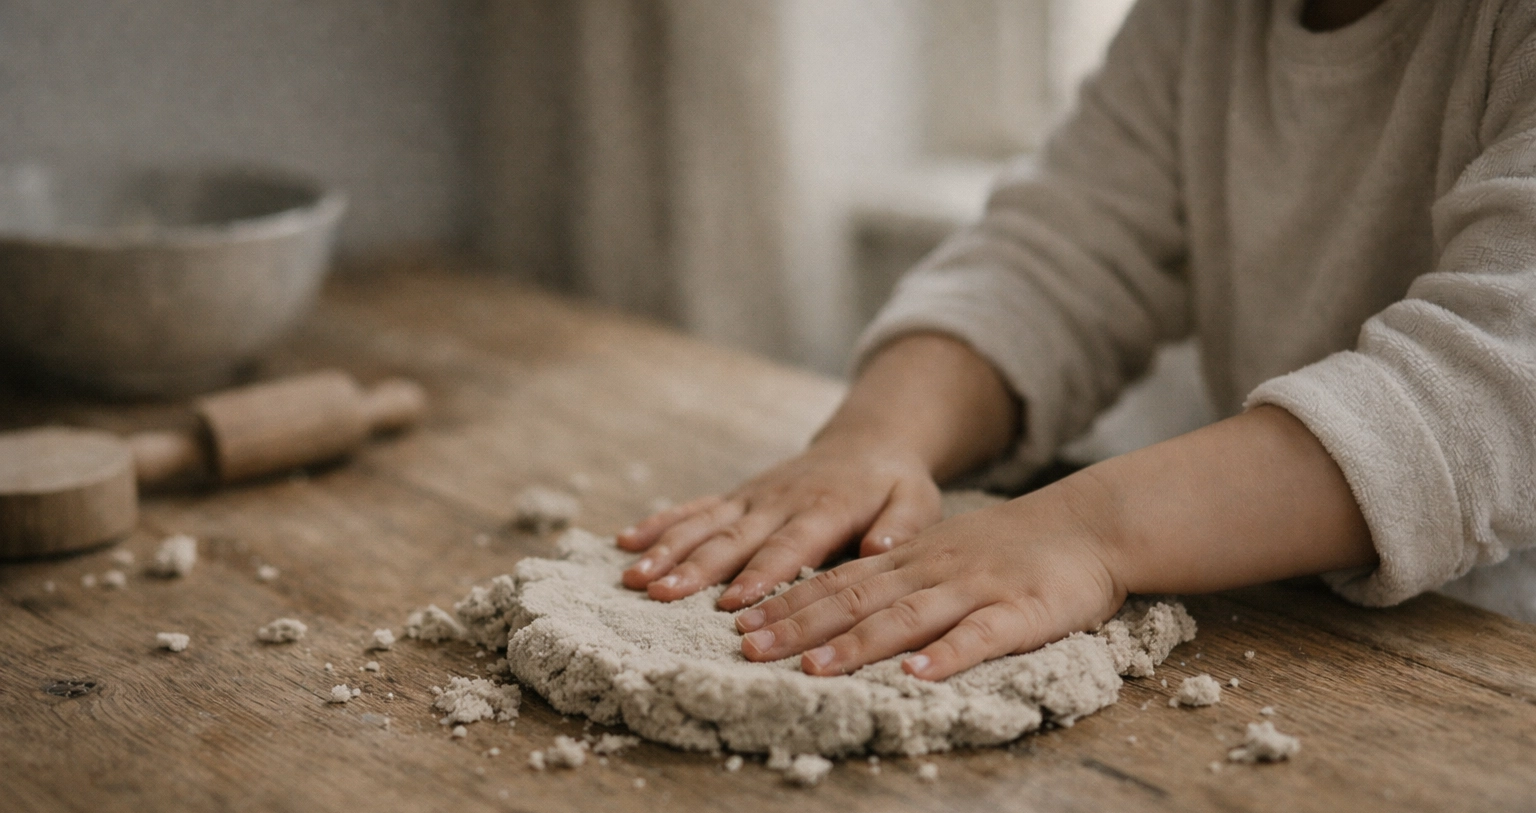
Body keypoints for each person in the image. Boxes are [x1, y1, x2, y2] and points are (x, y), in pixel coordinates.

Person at [618, 0, 1536, 680]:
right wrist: (877, 437)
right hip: (1305, 631)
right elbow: (1059, 257)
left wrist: (1085, 530)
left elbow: (1487, 394)